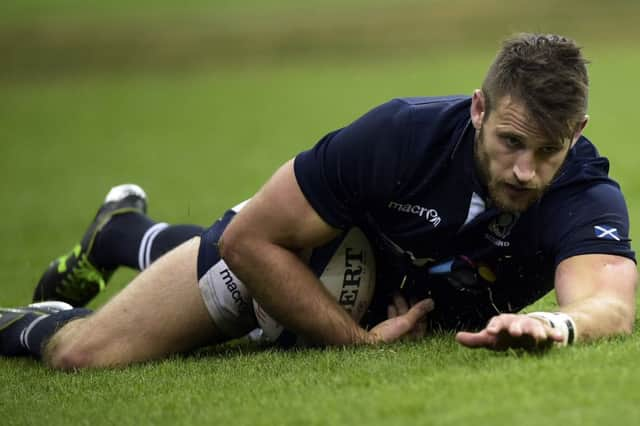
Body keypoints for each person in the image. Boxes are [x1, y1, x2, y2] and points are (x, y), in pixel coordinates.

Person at [0, 33, 636, 369]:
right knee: (86, 354)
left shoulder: (584, 191)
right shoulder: (398, 138)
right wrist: (355, 342)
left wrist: (556, 324)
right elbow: (251, 240)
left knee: (286, 308)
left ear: (574, 134)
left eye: (547, 151)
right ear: (478, 109)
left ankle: (119, 232)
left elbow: (610, 301)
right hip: (309, 252)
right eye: (510, 142)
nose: (526, 171)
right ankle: (26, 318)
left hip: (364, 278)